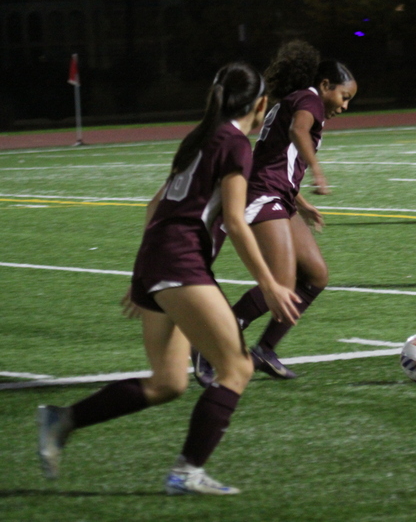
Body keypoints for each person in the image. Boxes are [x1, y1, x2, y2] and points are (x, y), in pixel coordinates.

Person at [37, 62, 301, 495]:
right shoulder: (235, 144)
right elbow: (235, 221)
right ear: (261, 104)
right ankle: (186, 472)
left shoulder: (197, 139)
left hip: (159, 262)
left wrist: (144, 274)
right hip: (180, 264)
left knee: (168, 382)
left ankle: (62, 420)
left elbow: (153, 206)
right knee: (235, 367)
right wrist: (270, 284)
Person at [193, 41, 357, 385]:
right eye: (343, 96)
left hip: (279, 196)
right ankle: (210, 345)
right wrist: (318, 170)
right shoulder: (309, 100)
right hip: (263, 195)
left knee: (315, 276)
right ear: (325, 85)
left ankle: (265, 349)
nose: (345, 105)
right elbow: (298, 133)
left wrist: (301, 203)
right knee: (280, 284)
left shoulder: (300, 101)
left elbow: (275, 160)